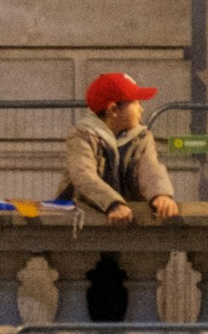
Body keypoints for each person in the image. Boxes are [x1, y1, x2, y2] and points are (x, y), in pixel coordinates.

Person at [64, 71, 180, 226]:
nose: (142, 109)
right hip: (83, 218)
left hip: (127, 216)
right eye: (136, 102)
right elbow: (83, 174)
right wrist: (113, 203)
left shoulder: (141, 137)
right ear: (113, 110)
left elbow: (151, 168)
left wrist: (160, 194)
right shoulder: (82, 135)